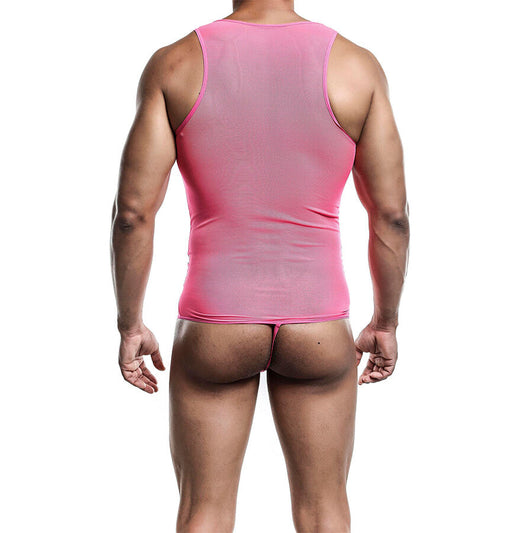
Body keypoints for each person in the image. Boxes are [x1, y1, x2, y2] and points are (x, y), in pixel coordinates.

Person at [110, 1, 409, 531]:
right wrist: (385, 321)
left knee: (204, 512)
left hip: (215, 320)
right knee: (325, 511)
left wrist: (130, 325)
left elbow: (132, 214)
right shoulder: (355, 66)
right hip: (318, 320)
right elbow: (391, 216)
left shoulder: (176, 63)